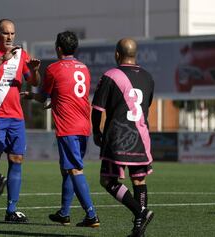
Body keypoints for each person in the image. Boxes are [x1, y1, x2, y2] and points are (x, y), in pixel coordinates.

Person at [21, 31, 100, 227]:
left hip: (68, 126)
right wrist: (56, 101)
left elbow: (43, 96)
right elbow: (70, 93)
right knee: (68, 170)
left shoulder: (54, 69)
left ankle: (91, 215)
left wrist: (29, 95)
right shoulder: (84, 68)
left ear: (58, 48)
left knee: (74, 169)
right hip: (83, 124)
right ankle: (64, 213)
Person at [0, 19, 40, 223]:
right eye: (5, 33)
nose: (10, 37)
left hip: (16, 117)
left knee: (17, 160)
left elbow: (34, 82)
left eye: (12, 33)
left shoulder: (21, 54)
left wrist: (35, 69)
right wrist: (3, 59)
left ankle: (11, 210)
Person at [91, 38, 154, 237]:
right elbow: (146, 108)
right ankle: (138, 230)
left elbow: (97, 109)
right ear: (135, 55)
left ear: (117, 54)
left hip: (118, 137)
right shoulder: (148, 77)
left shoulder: (111, 75)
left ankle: (140, 213)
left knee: (107, 181)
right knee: (139, 181)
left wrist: (96, 131)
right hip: (141, 136)